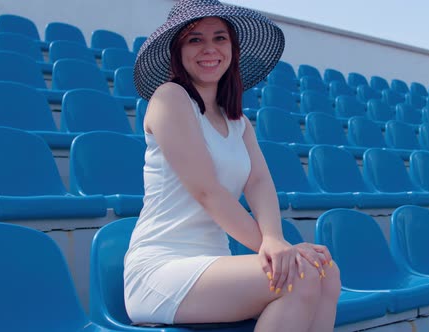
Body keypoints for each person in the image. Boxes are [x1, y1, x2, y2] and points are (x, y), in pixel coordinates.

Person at [125, 1, 341, 331]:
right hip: (162, 267)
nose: (209, 49)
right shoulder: (170, 98)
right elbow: (206, 191)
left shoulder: (236, 119)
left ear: (232, 48)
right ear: (178, 50)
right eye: (195, 39)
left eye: (219, 38)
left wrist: (274, 237)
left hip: (214, 264)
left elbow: (258, 182)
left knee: (326, 271)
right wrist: (272, 249)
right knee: (299, 274)